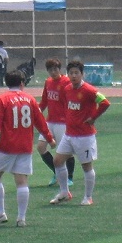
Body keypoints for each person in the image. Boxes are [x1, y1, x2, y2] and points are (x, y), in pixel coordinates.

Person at [0, 69, 56, 227]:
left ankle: (0, 212)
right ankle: (21, 218)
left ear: (6, 83)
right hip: (25, 146)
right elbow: (40, 121)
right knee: (22, 181)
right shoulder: (30, 99)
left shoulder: (2, 99)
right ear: (22, 83)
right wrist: (49, 138)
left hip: (6, 146)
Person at [48, 60, 110, 206]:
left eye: (77, 73)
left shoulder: (89, 90)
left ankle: (88, 197)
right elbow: (66, 105)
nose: (74, 76)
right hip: (69, 134)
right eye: (71, 73)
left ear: (82, 74)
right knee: (57, 161)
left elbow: (105, 102)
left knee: (86, 166)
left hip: (84, 136)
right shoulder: (67, 89)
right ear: (68, 74)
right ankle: (64, 192)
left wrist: (93, 117)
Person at [37, 58, 75, 189]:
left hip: (63, 122)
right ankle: (57, 172)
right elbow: (44, 102)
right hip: (50, 121)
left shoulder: (66, 82)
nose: (53, 72)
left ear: (60, 69)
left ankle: (69, 177)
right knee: (41, 147)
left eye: (55, 69)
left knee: (66, 152)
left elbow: (70, 101)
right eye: (50, 70)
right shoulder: (48, 82)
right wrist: (36, 112)